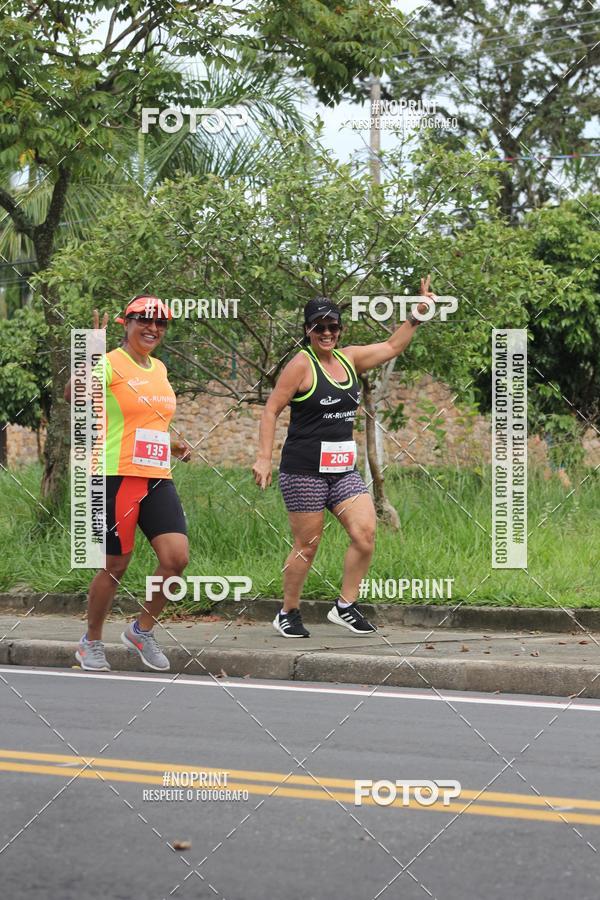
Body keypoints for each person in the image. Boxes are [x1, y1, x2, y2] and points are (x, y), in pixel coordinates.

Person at [252, 278, 433, 638]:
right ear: (307, 330)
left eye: (333, 326)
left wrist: (416, 315)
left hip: (341, 470)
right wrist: (262, 458)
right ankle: (288, 612)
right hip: (303, 469)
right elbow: (271, 410)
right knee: (308, 544)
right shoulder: (300, 365)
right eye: (319, 327)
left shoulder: (349, 359)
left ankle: (345, 606)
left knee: (365, 532)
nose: (327, 332)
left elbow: (393, 345)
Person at [65, 296, 190, 671]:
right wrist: (92, 351)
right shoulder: (109, 363)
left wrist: (173, 443)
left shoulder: (160, 368)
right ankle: (91, 641)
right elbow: (74, 395)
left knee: (176, 558)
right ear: (126, 323)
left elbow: (146, 422)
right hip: (115, 476)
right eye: (144, 321)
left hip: (156, 476)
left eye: (160, 323)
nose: (153, 328)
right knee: (115, 564)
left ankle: (141, 629)